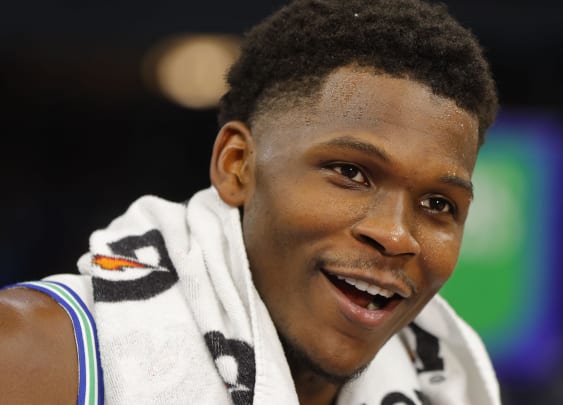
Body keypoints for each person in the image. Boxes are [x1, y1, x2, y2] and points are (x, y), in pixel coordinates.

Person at [0, 0, 500, 404]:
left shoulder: (448, 386)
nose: (395, 235)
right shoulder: (30, 355)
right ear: (237, 165)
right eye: (351, 173)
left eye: (438, 203)